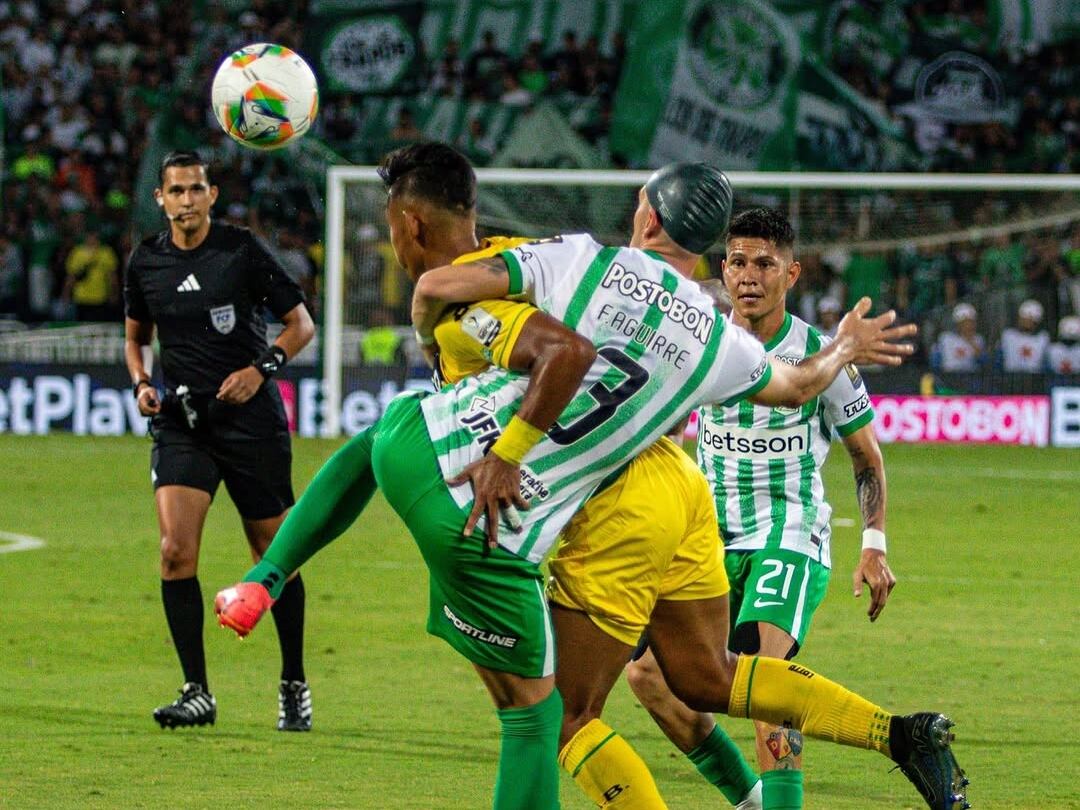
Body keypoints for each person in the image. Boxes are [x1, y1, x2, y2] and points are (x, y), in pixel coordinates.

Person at [219, 154, 966, 810]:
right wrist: (843, 348)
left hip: (592, 498)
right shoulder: (721, 341)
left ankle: (269, 573)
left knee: (564, 716)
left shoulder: (584, 260)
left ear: (643, 211)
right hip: (682, 488)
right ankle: (895, 735)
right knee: (707, 675)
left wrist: (448, 348)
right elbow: (802, 384)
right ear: (711, 252)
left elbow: (446, 288)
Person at [623, 208, 896, 810]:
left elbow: (866, 455)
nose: (749, 276)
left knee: (760, 677)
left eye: (764, 264)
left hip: (789, 534)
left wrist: (873, 547)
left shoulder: (823, 356)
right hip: (706, 541)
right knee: (647, 678)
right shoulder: (701, 342)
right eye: (738, 262)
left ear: (791, 273)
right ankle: (749, 801)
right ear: (723, 268)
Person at [123, 150, 315, 731]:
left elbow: (300, 325)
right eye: (175, 191)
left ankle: (293, 681)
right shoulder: (146, 262)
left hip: (251, 424)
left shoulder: (240, 250)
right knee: (175, 552)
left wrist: (262, 370)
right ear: (161, 199)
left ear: (211, 195)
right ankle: (197, 691)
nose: (185, 200)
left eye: (195, 189)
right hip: (183, 423)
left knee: (272, 555)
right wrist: (140, 383)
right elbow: (135, 340)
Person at [931, 303, 986, 373]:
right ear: (958, 324)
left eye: (971, 322)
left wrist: (970, 341)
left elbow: (984, 362)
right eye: (965, 323)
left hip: (970, 377)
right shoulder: (946, 338)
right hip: (949, 376)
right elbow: (935, 361)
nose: (969, 326)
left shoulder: (978, 339)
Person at [1000, 299, 1050, 373]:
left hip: (1034, 379)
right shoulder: (1008, 336)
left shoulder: (1042, 338)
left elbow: (1046, 365)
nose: (1025, 322)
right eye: (1023, 318)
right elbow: (999, 362)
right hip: (1010, 379)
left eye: (1029, 319)